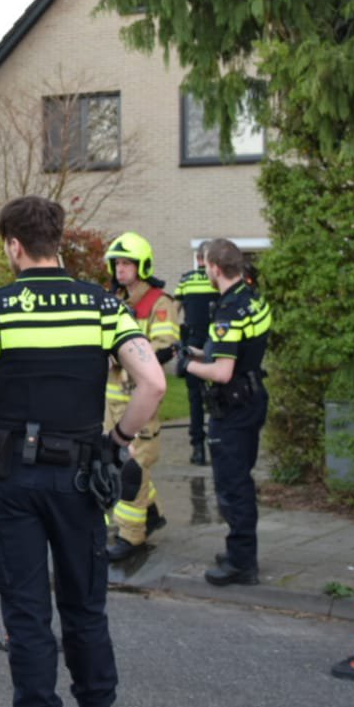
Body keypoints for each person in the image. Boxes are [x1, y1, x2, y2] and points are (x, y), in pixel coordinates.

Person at [0, 196, 165, 707]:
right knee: (85, 604)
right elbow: (153, 382)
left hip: (14, 479)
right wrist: (117, 439)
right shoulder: (101, 305)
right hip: (81, 478)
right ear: (59, 241)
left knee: (27, 613)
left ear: (14, 246)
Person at [177, 238, 273, 586]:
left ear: (215, 268)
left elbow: (222, 373)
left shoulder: (228, 311)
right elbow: (240, 351)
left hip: (233, 406)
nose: (205, 273)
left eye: (205, 268)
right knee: (241, 479)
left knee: (233, 486)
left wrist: (188, 364)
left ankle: (241, 563)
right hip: (252, 395)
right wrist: (204, 352)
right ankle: (240, 550)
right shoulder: (252, 299)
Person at [101, 232, 181, 561]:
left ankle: (132, 535)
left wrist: (121, 358)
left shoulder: (159, 304)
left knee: (132, 467)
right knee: (117, 463)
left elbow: (164, 349)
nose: (120, 270)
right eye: (116, 263)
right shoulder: (114, 300)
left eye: (126, 264)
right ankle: (150, 514)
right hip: (111, 400)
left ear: (142, 266)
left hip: (140, 401)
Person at [173, 244, 220, 466]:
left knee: (195, 398)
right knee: (219, 393)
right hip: (217, 343)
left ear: (198, 258)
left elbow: (174, 312)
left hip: (192, 343)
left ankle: (198, 449)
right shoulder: (217, 280)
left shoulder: (186, 280)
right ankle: (218, 443)